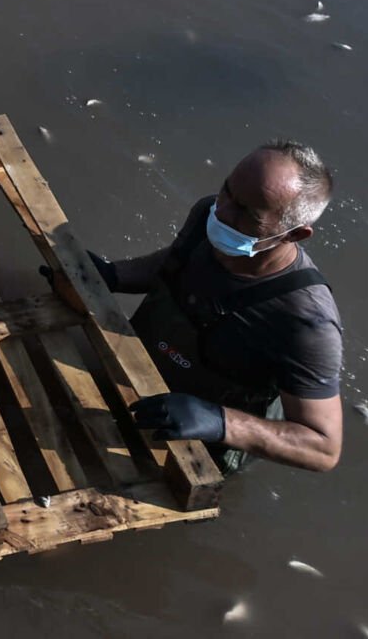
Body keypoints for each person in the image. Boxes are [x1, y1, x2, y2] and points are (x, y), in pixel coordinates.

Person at [67, 142, 343, 473]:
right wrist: (112, 275)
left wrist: (219, 422)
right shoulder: (207, 214)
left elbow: (323, 448)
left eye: (247, 213)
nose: (223, 212)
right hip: (131, 374)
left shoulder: (306, 322)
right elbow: (174, 263)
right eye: (226, 190)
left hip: (194, 443)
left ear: (294, 234)